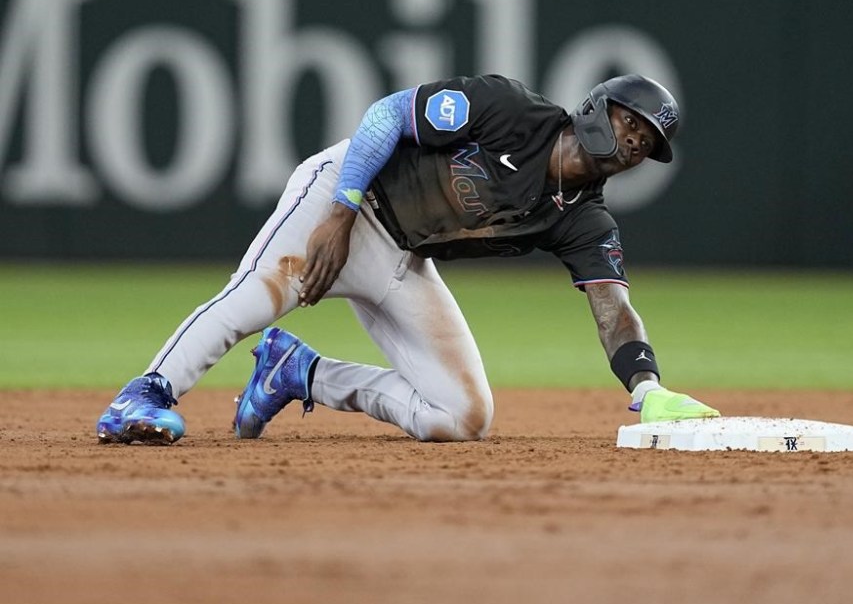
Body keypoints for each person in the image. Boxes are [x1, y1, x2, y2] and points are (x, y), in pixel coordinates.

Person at [95, 73, 720, 445]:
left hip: (402, 257)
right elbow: (388, 114)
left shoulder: (584, 219)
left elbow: (614, 308)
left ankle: (299, 374)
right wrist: (339, 211)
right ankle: (144, 396)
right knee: (256, 294)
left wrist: (648, 386)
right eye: (632, 121)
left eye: (649, 142)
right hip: (347, 196)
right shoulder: (511, 111)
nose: (636, 141)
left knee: (464, 417)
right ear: (597, 105)